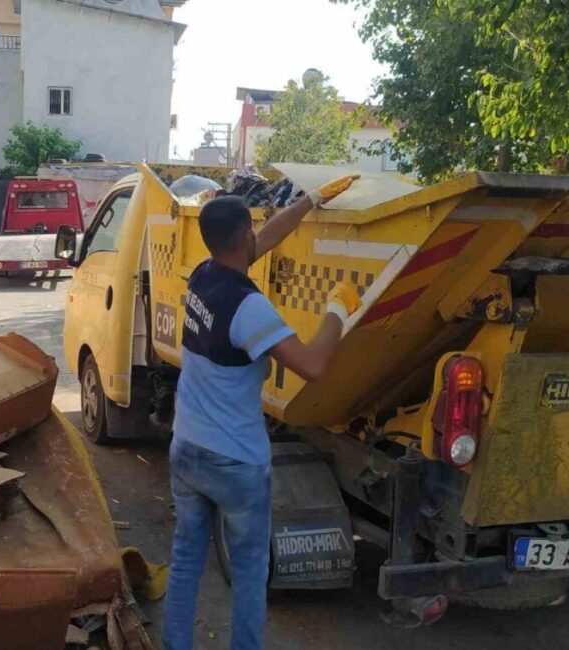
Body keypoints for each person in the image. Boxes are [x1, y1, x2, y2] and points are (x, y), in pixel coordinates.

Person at [162, 176, 362, 650]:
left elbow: (264, 239)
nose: (258, 237)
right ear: (242, 238)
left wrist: (307, 203)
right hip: (235, 463)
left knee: (187, 559)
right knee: (251, 573)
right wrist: (337, 310)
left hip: (187, 449)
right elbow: (312, 365)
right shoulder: (249, 309)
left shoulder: (204, 277)